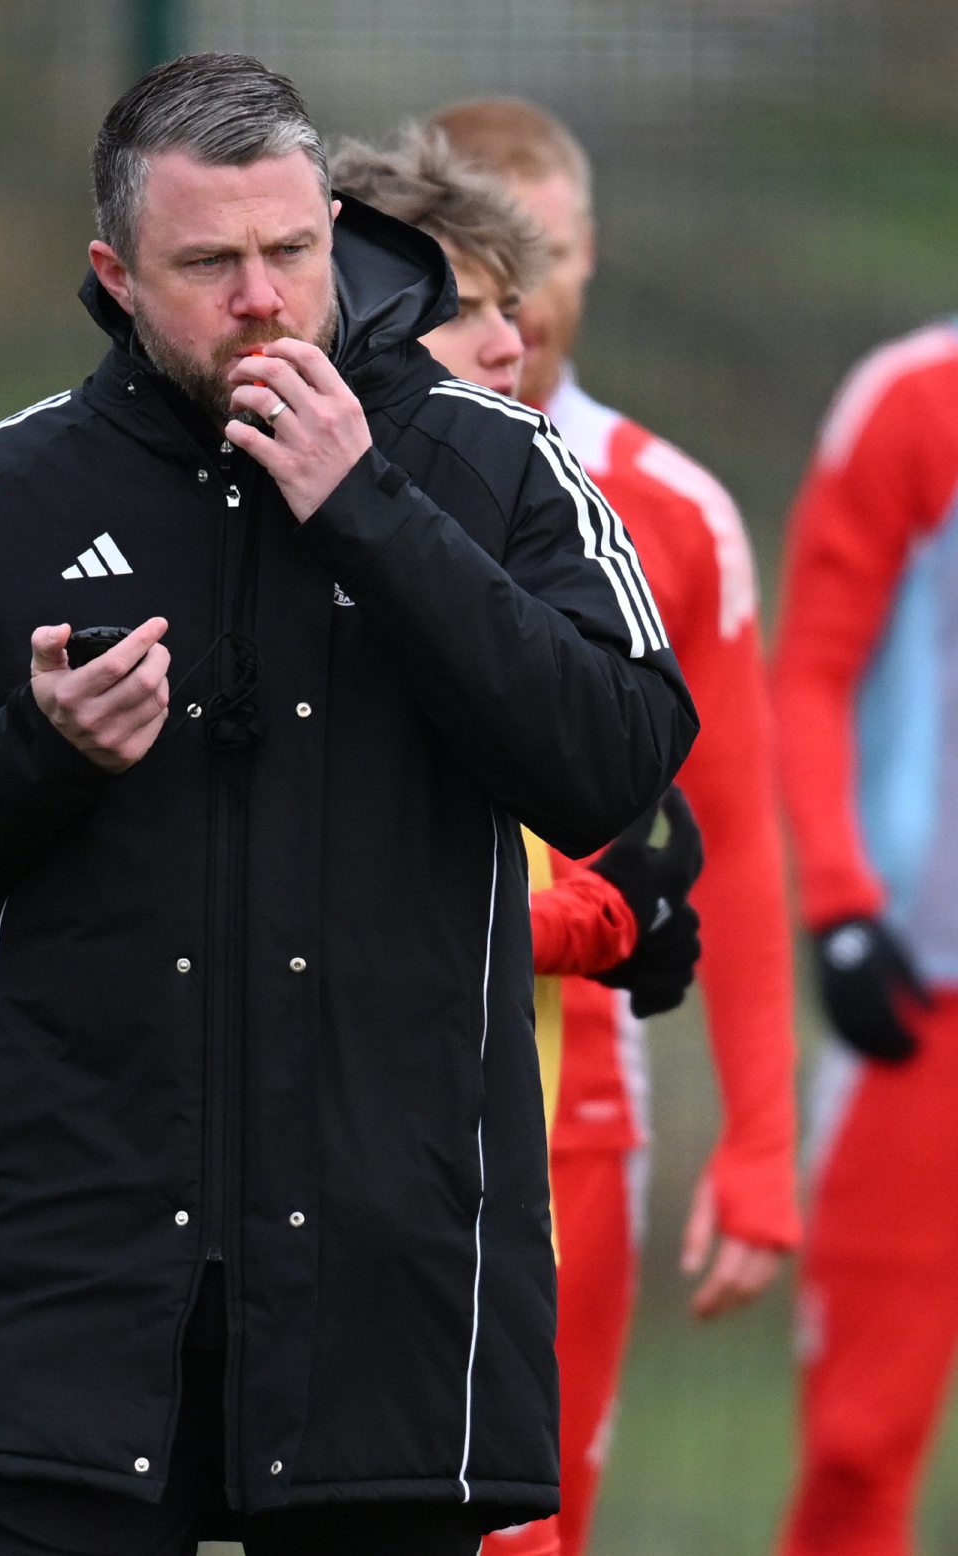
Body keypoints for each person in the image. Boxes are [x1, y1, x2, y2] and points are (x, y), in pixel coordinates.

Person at [0, 54, 697, 1556]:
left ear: (331, 226)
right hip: (70, 1304)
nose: (264, 297)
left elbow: (617, 756)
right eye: (208, 263)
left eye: (291, 250)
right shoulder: (3, 490)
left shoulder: (489, 465)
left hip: (386, 1296)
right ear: (116, 273)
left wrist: (368, 511)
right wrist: (38, 748)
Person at [428, 97, 802, 1556]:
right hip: (333, 1103)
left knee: (527, 1528)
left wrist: (762, 1141)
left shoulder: (675, 510)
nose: (524, 305)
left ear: (593, 257)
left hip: (569, 1109)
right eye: (481, 274)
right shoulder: (313, 483)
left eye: (553, 257)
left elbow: (730, 839)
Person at [328, 123, 706, 1130]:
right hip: (376, 1165)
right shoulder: (319, 562)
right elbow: (340, 916)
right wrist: (594, 920)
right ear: (368, 319)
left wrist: (619, 900)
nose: (513, 339)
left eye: (514, 303)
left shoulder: (537, 520)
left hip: (498, 1143)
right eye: (470, 311)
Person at [769, 317, 958, 1556]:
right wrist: (838, 901)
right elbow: (812, 672)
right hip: (923, 1003)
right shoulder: (914, 400)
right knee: (856, 1444)